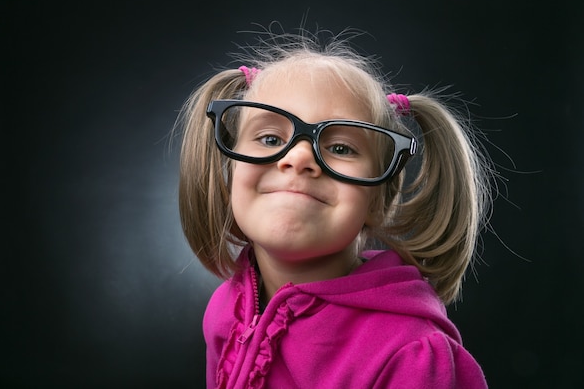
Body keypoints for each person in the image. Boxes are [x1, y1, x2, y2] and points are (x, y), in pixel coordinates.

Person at [177, 29, 492, 388]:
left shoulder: (410, 354)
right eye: (269, 139)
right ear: (230, 173)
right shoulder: (226, 309)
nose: (298, 157)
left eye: (341, 148)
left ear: (378, 199)